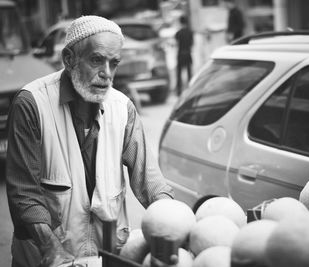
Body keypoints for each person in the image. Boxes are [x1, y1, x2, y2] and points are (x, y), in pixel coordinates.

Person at [6, 15, 174, 267]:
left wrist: (175, 225)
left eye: (114, 63)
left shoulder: (122, 108)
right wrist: (50, 248)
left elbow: (150, 184)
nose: (107, 74)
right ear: (69, 59)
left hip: (106, 256)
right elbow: (24, 194)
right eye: (97, 60)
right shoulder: (32, 104)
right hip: (46, 258)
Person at [174, 15, 193, 96]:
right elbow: (192, 43)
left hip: (180, 54)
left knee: (179, 73)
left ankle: (179, 91)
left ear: (180, 23)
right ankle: (191, 89)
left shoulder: (178, 33)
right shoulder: (190, 32)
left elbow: (176, 43)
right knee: (189, 73)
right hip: (188, 54)